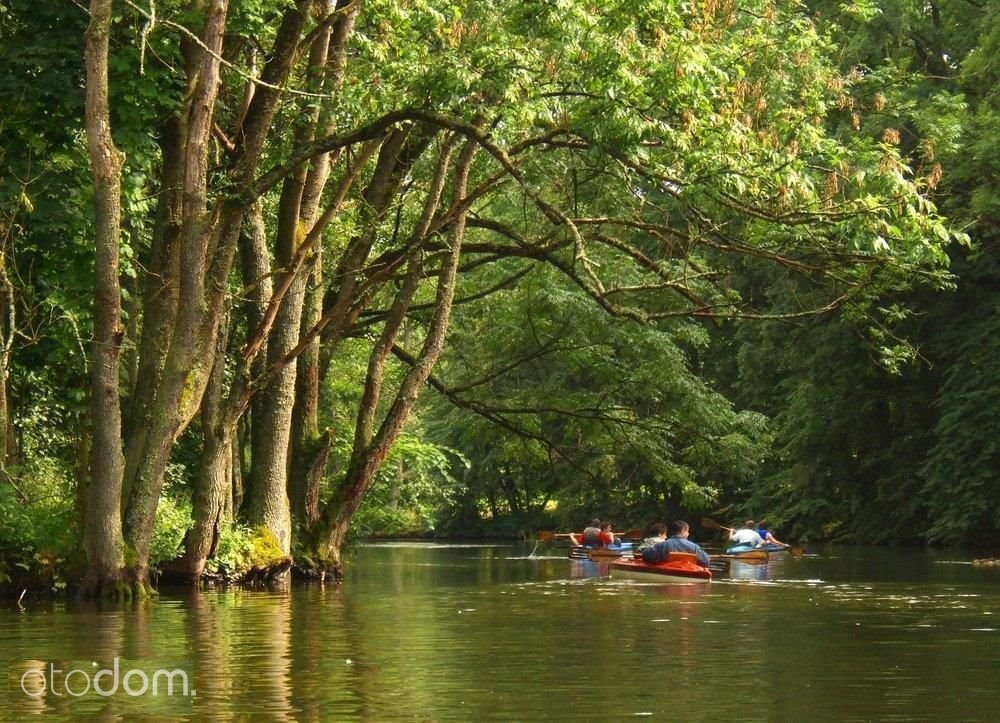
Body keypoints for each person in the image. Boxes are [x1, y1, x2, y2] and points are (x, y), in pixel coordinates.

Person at [641, 521, 711, 568]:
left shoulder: (662, 545)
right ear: (683, 531)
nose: (688, 534)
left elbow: (646, 556)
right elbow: (706, 561)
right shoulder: (694, 547)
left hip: (668, 573)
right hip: (689, 575)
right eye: (687, 531)